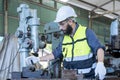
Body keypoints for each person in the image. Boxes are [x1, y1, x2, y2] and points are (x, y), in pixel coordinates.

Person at [26, 6, 106, 80]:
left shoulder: (86, 33)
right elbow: (54, 54)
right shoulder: (65, 39)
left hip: (87, 78)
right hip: (70, 77)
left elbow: (99, 49)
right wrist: (37, 59)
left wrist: (100, 63)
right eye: (59, 25)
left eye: (62, 24)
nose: (60, 28)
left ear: (70, 21)